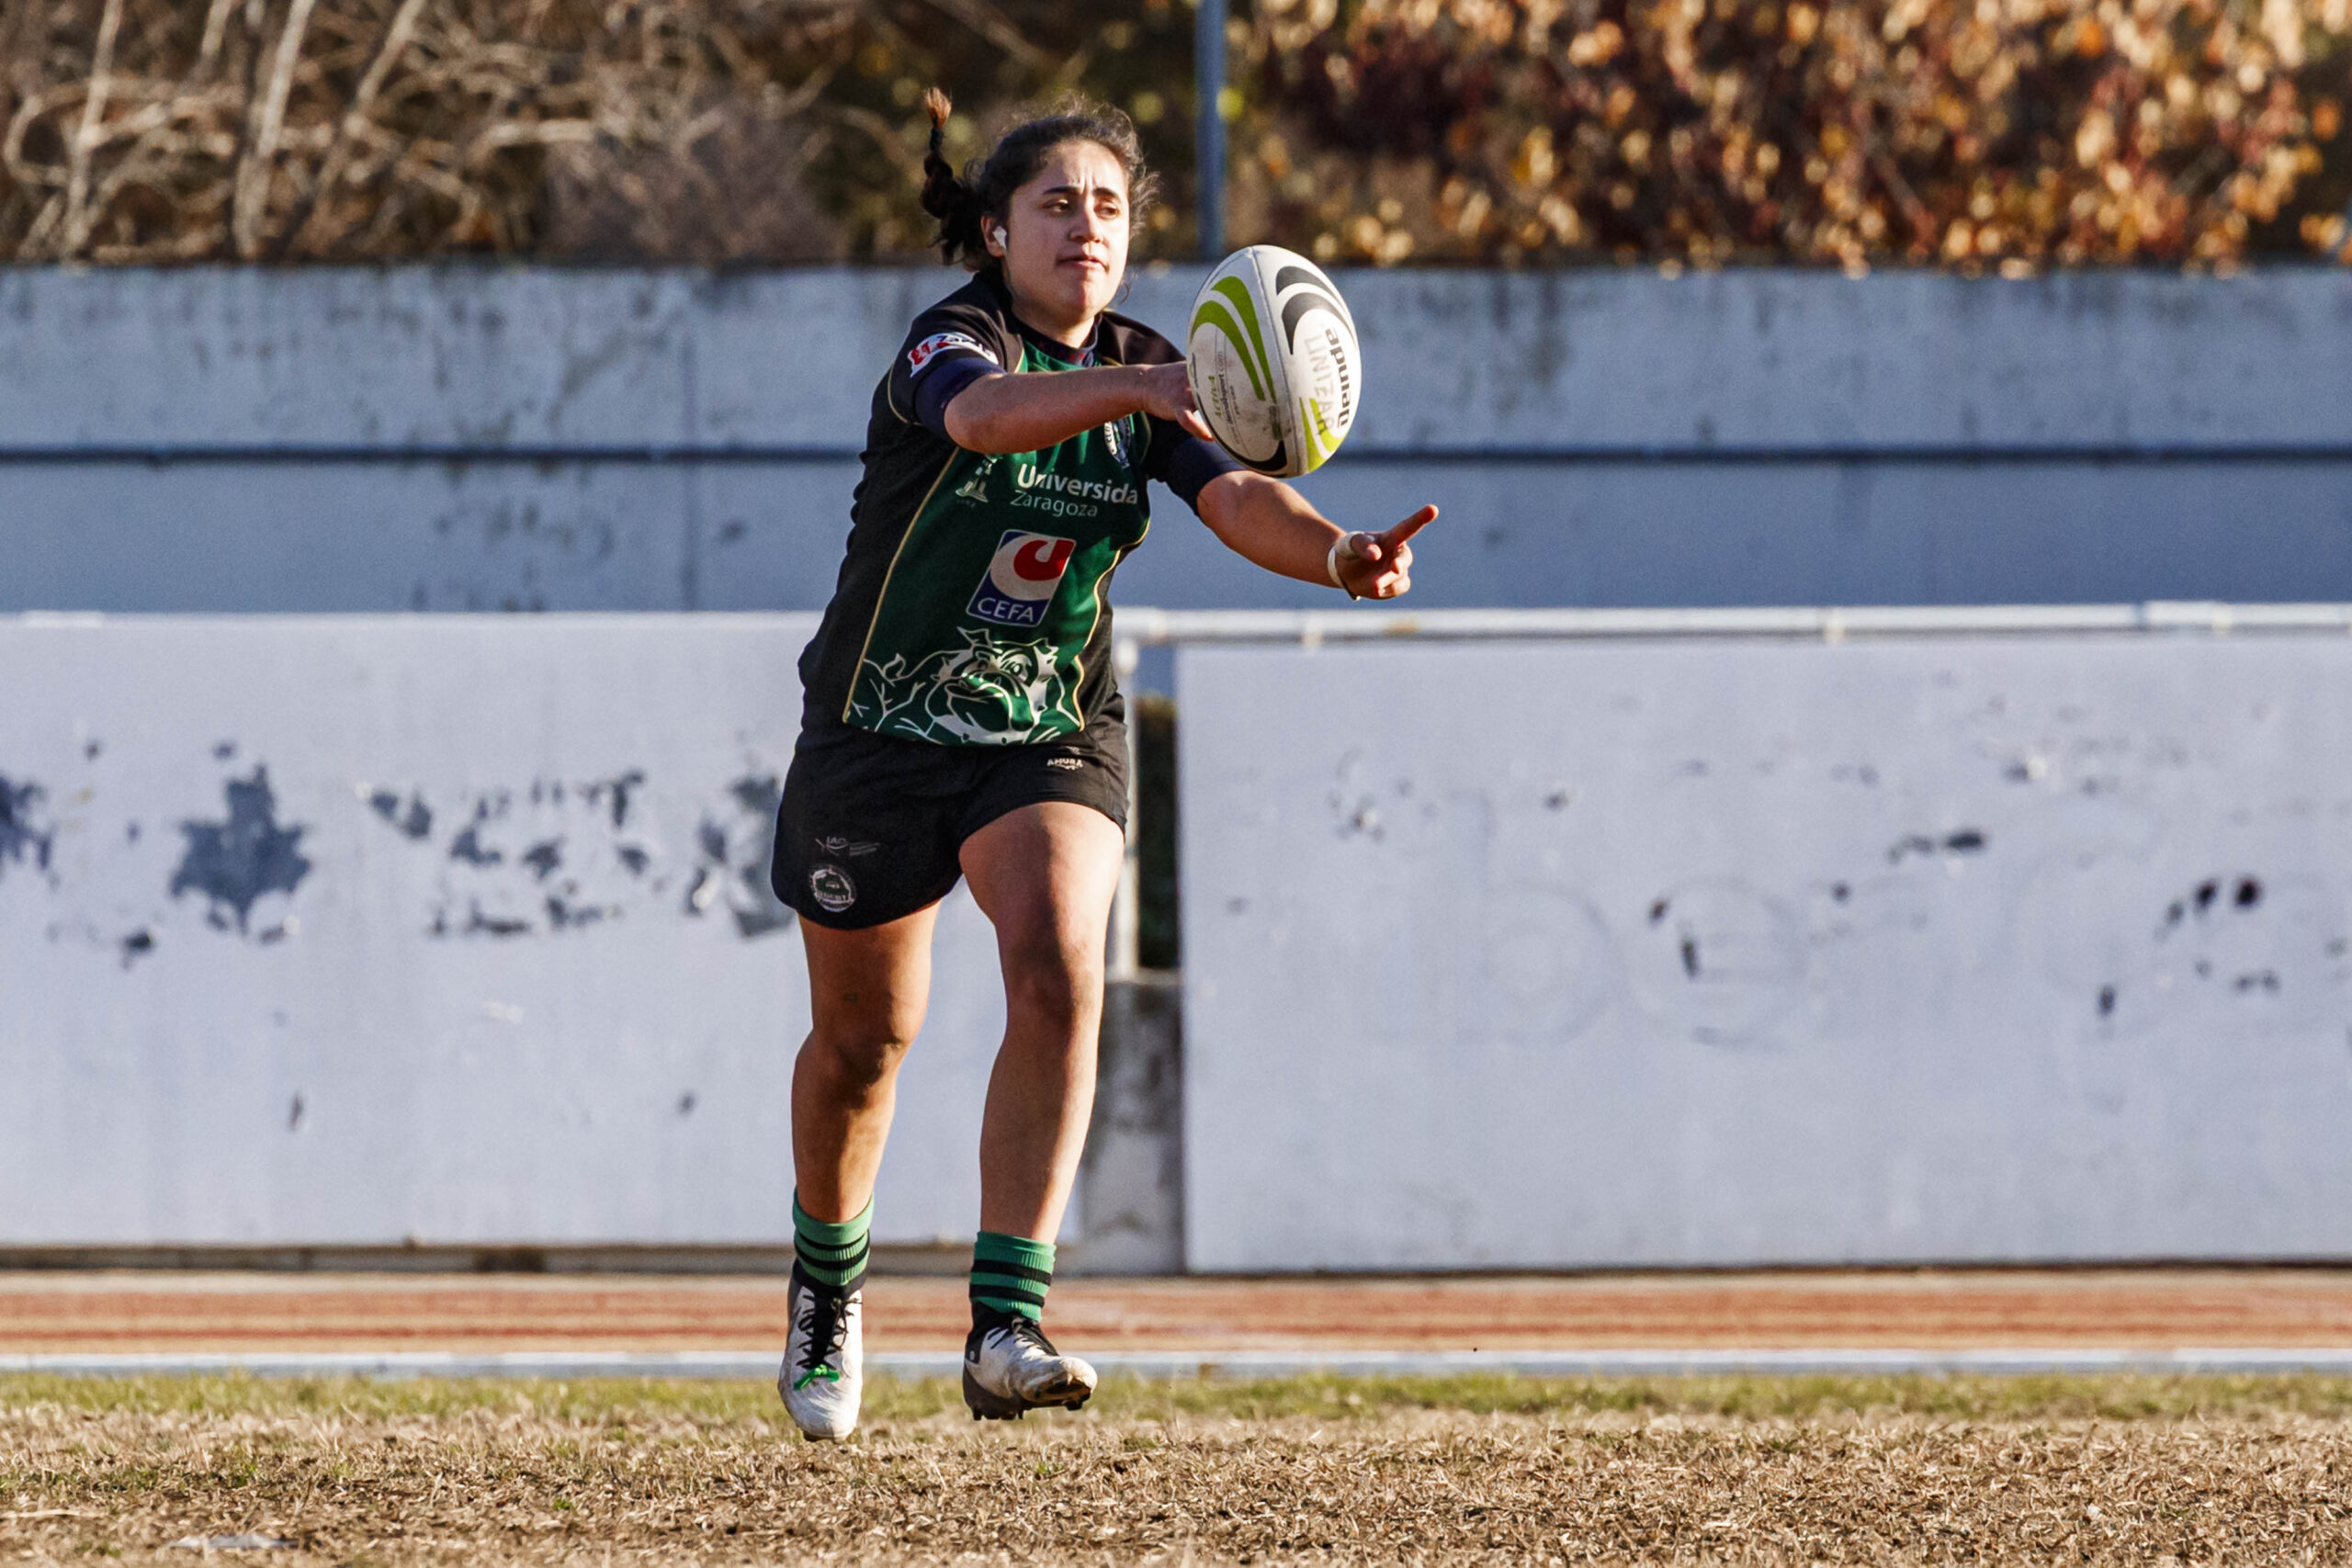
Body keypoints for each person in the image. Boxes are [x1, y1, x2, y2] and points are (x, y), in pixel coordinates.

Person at [769, 87, 1437, 1439]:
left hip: (1046, 724)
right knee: (864, 1043)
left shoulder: (1154, 368)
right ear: (1000, 231)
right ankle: (829, 1291)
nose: (1087, 225)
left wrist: (1336, 553)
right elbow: (980, 421)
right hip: (880, 730)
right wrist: (1139, 386)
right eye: (1058, 203)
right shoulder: (952, 344)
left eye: (1112, 207)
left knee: (1062, 957)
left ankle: (1005, 1322)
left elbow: (1241, 491)